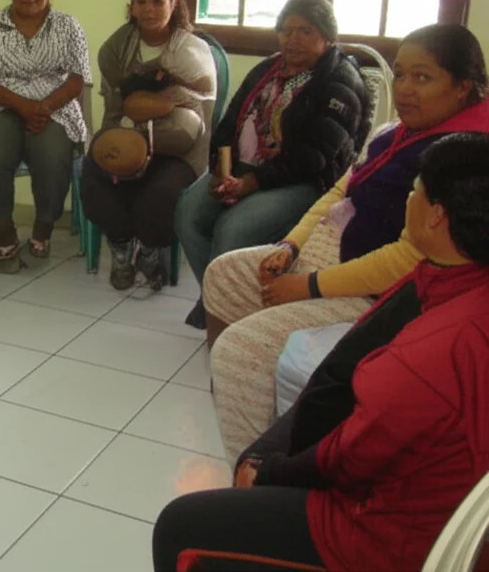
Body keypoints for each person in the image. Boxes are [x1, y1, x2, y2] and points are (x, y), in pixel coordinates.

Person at [153, 133, 489, 572]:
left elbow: (347, 461)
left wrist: (271, 471)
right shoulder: (447, 277)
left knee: (178, 527)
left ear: (436, 217)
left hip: (372, 534)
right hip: (395, 486)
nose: (409, 200)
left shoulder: (429, 352)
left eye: (415, 192)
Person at [205, 23, 489, 464]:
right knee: (224, 274)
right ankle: (256, 413)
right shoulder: (397, 130)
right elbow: (342, 188)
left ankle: (258, 469)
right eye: (400, 75)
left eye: (423, 77)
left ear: (463, 88)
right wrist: (291, 245)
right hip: (325, 254)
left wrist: (308, 286)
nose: (406, 89)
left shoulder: (465, 158)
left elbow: (409, 260)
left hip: (372, 288)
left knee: (239, 351)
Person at [174, 0, 370, 327]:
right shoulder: (267, 69)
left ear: (327, 37)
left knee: (233, 228)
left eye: (305, 31)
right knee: (188, 213)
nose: (292, 39)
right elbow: (228, 124)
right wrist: (222, 172)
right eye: (286, 30)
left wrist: (252, 183)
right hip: (242, 170)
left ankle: (224, 311)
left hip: (304, 181)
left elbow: (314, 157)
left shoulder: (341, 82)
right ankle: (219, 297)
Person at [81, 0, 217, 290]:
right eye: (141, 2)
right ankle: (121, 245)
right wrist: (122, 136)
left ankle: (150, 250)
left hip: (178, 144)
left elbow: (200, 107)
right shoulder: (115, 48)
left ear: (173, 6)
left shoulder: (190, 49)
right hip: (126, 133)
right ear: (131, 7)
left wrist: (154, 101)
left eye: (158, 1)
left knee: (161, 190)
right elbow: (117, 107)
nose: (149, 9)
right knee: (95, 174)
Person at [0, 0, 93, 272]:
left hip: (54, 108)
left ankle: (44, 226)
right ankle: (4, 232)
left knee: (52, 153)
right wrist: (22, 106)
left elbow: (78, 78)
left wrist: (43, 108)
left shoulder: (68, 25)